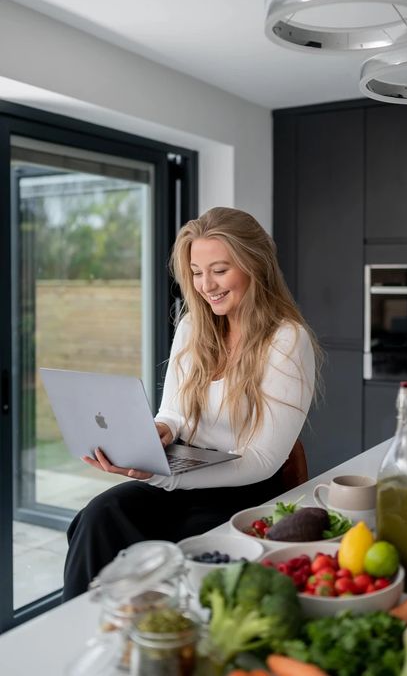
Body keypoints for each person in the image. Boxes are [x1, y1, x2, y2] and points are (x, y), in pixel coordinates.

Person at [62, 206, 322, 600]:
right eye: (197, 273)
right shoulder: (192, 326)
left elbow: (262, 461)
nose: (206, 285)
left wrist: (165, 476)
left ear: (256, 265)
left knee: (190, 545)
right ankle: (88, 631)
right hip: (183, 472)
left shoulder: (287, 340)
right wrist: (162, 432)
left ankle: (162, 634)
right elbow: (173, 414)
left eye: (219, 270)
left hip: (244, 486)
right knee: (99, 517)